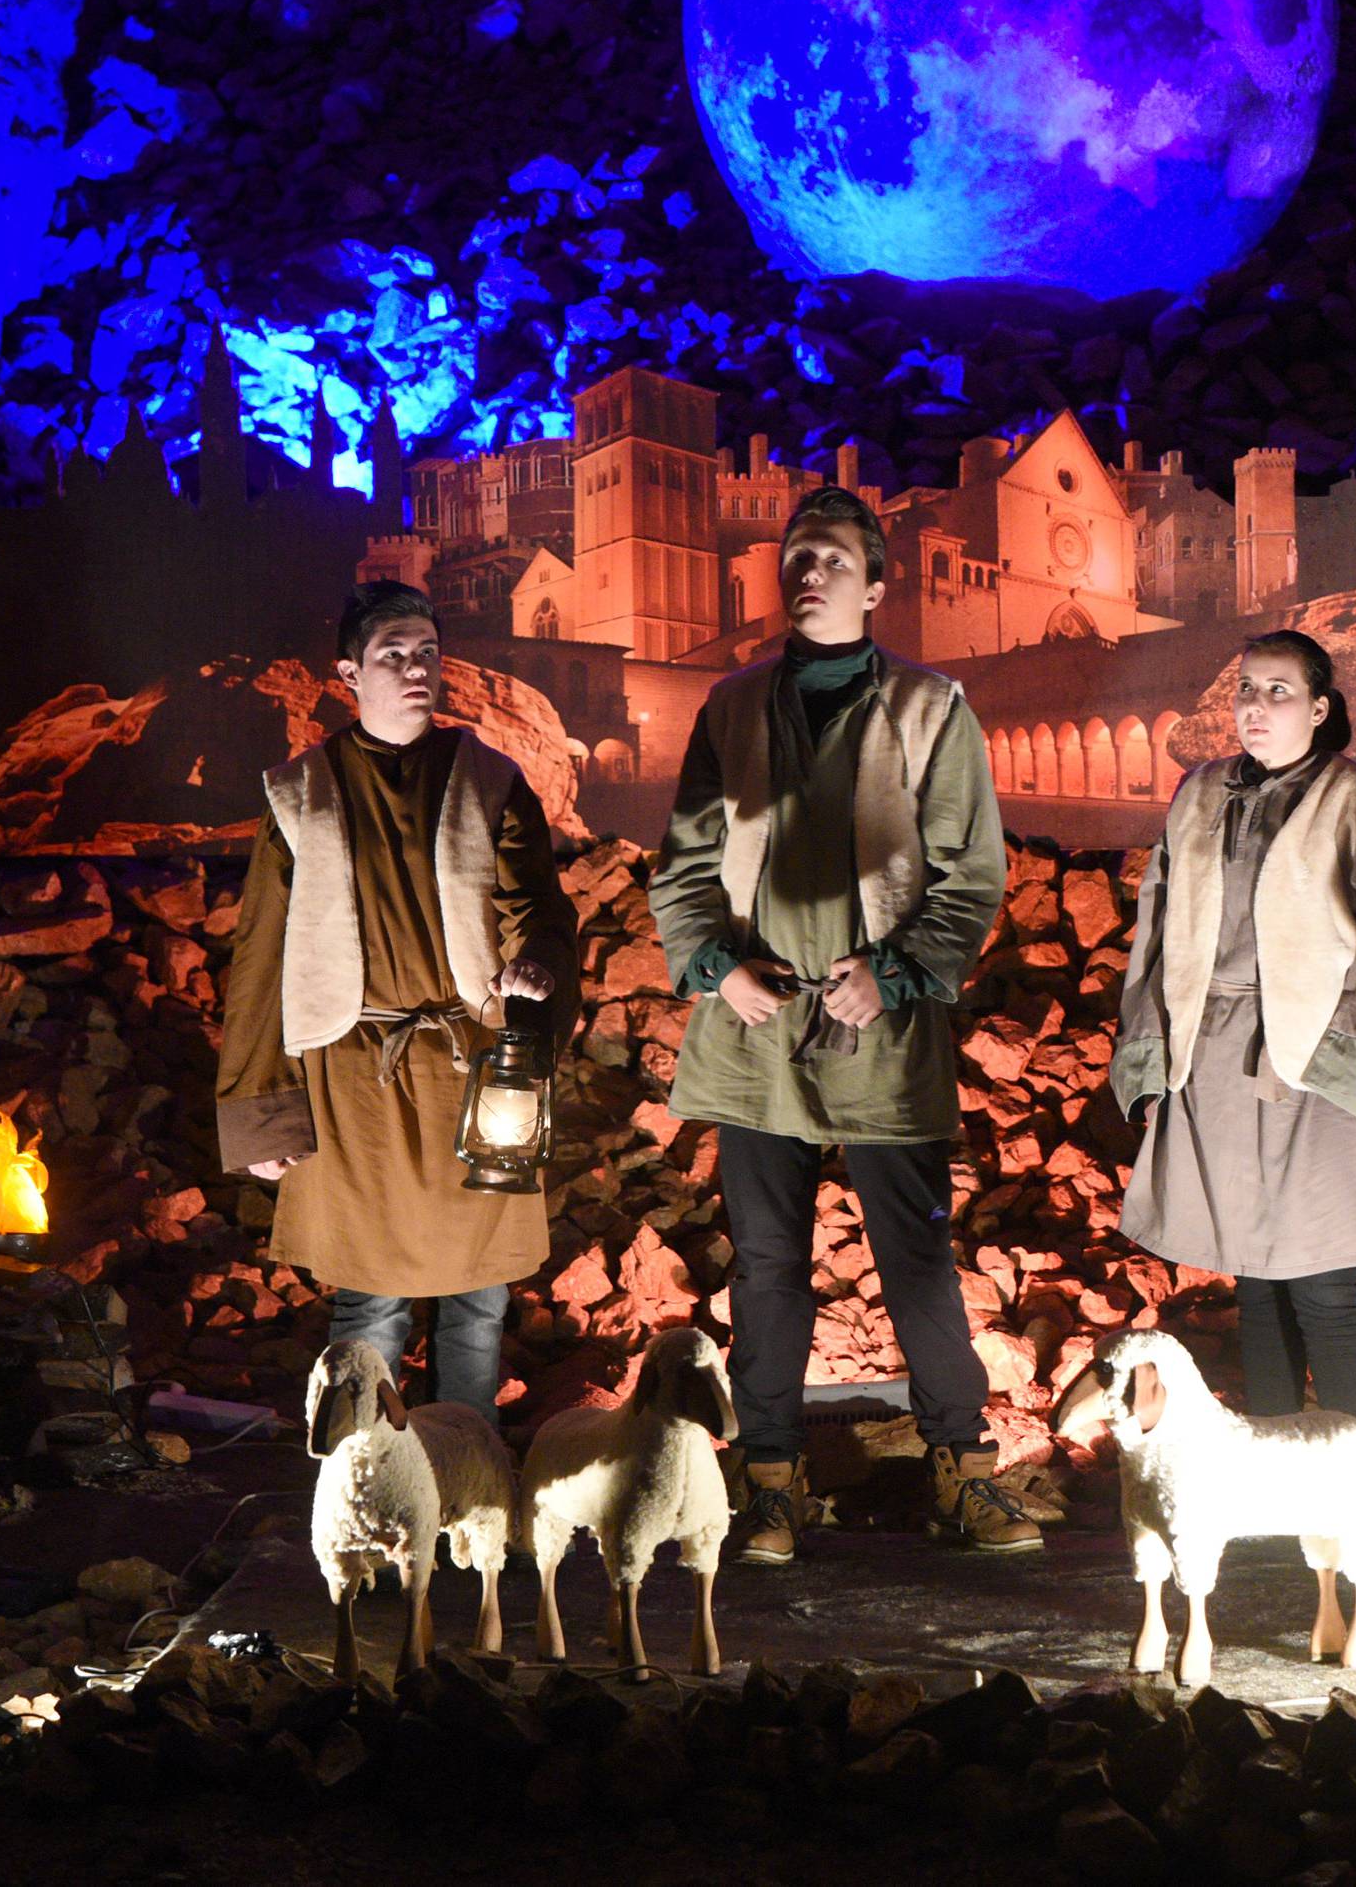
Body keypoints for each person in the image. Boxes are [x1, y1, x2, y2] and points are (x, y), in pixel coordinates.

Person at [648, 485, 1032, 1563]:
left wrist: (898, 974)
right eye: (794, 555)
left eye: (830, 557)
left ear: (874, 581)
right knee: (767, 1262)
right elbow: (681, 866)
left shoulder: (928, 707)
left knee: (913, 1254)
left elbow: (970, 875)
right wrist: (719, 969)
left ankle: (965, 1471)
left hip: (879, 1025)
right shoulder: (730, 707)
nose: (807, 571)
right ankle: (770, 1486)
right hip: (756, 1026)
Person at [215, 580, 579, 1420]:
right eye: (393, 655)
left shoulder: (491, 780)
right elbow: (261, 957)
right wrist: (262, 1114)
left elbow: (539, 910)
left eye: (427, 653)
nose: (416, 669)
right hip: (352, 1077)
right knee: (370, 1304)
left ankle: (466, 1494)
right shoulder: (299, 794)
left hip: (475, 1069)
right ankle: (362, 1504)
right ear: (349, 671)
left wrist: (537, 967)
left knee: (479, 1302)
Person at [1113, 630, 1356, 1433]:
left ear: (1320, 708)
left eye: (1279, 690)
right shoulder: (1200, 791)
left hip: (1318, 1063)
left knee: (1319, 1278)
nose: (1257, 705)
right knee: (1253, 1277)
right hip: (1211, 1057)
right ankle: (1279, 1480)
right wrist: (1149, 1063)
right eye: (1248, 688)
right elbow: (1156, 929)